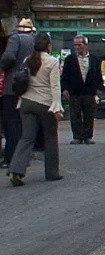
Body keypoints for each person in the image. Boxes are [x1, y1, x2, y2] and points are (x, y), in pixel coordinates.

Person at [7, 33, 64, 186]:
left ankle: (16, 170)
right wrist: (57, 107)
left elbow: (22, 82)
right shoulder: (52, 62)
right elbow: (55, 86)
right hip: (45, 104)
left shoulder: (28, 60)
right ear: (49, 46)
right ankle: (52, 172)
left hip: (26, 103)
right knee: (50, 138)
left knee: (26, 138)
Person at [0, 19, 36, 168]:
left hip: (12, 86)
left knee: (11, 124)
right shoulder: (34, 40)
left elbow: (9, 57)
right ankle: (23, 158)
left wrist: (1, 67)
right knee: (24, 124)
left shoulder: (15, 39)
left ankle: (10, 158)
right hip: (29, 87)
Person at [61, 36, 104, 145]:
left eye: (79, 45)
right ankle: (77, 136)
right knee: (75, 115)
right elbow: (65, 75)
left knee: (89, 114)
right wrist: (65, 89)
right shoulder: (70, 59)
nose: (77, 47)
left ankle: (88, 136)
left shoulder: (94, 59)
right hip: (74, 91)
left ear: (85, 45)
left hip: (89, 92)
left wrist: (99, 88)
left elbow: (98, 74)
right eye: (75, 45)